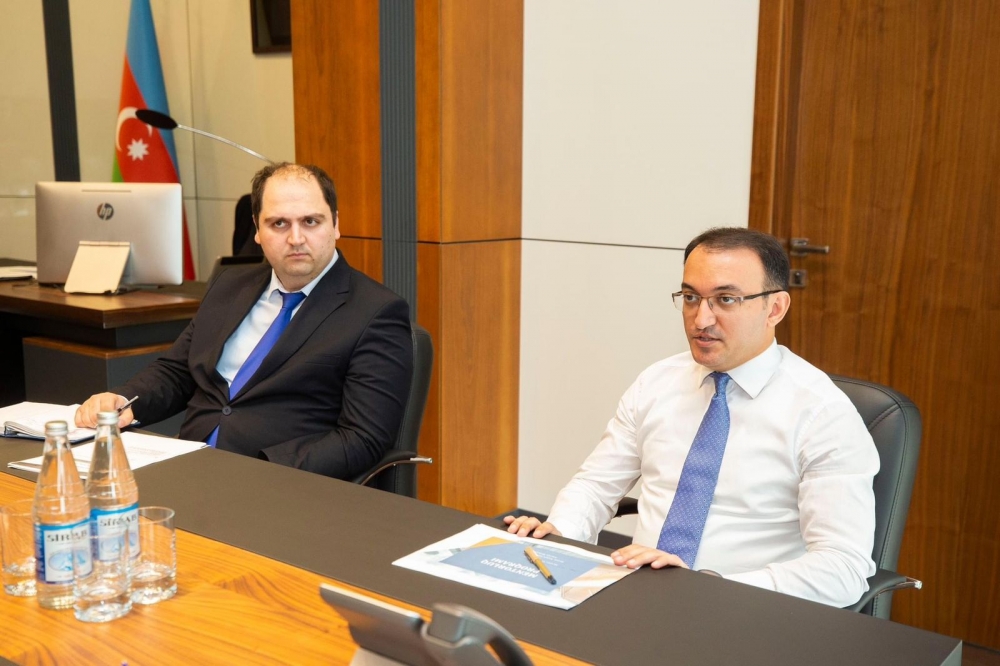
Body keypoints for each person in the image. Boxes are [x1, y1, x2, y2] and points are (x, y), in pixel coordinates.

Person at [504, 227, 879, 607]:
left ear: (775, 308)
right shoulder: (657, 382)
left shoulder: (822, 414)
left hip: (744, 611)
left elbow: (843, 568)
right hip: (638, 598)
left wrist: (712, 585)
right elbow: (596, 486)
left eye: (726, 299)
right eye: (690, 297)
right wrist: (559, 533)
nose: (701, 319)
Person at [75, 162, 413, 479]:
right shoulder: (229, 286)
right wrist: (124, 399)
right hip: (188, 466)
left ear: (335, 224)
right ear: (257, 230)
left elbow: (363, 438)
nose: (296, 238)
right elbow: (178, 371)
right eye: (279, 224)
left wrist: (261, 471)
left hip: (277, 484)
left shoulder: (375, 312)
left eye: (311, 221)